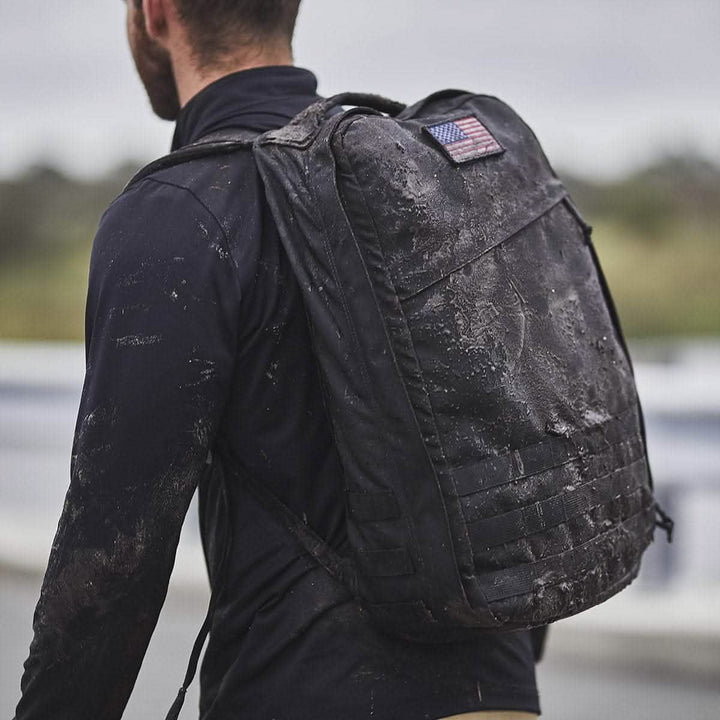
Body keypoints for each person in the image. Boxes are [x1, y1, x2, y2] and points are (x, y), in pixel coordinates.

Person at [15, 1, 541, 718]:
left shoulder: (179, 210)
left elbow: (111, 567)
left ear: (156, 12)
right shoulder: (420, 177)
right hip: (500, 695)